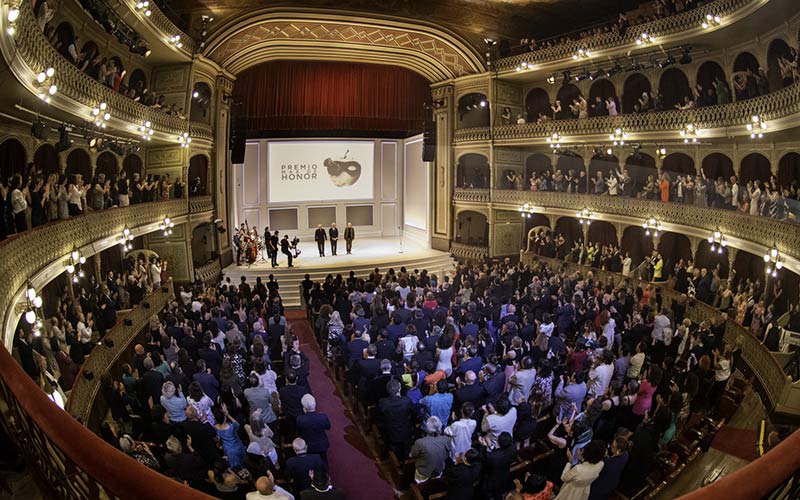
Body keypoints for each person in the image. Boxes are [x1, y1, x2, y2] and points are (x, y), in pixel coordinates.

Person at [410, 416, 451, 483]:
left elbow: (412, 455)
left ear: (427, 428)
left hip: (423, 472)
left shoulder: (420, 442)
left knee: (420, 486)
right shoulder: (446, 439)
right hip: (439, 470)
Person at [296, 395, 331, 463]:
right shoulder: (323, 417)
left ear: (304, 408)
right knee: (323, 461)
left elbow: (299, 433)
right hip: (322, 445)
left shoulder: (300, 419)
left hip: (308, 447)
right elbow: (328, 427)